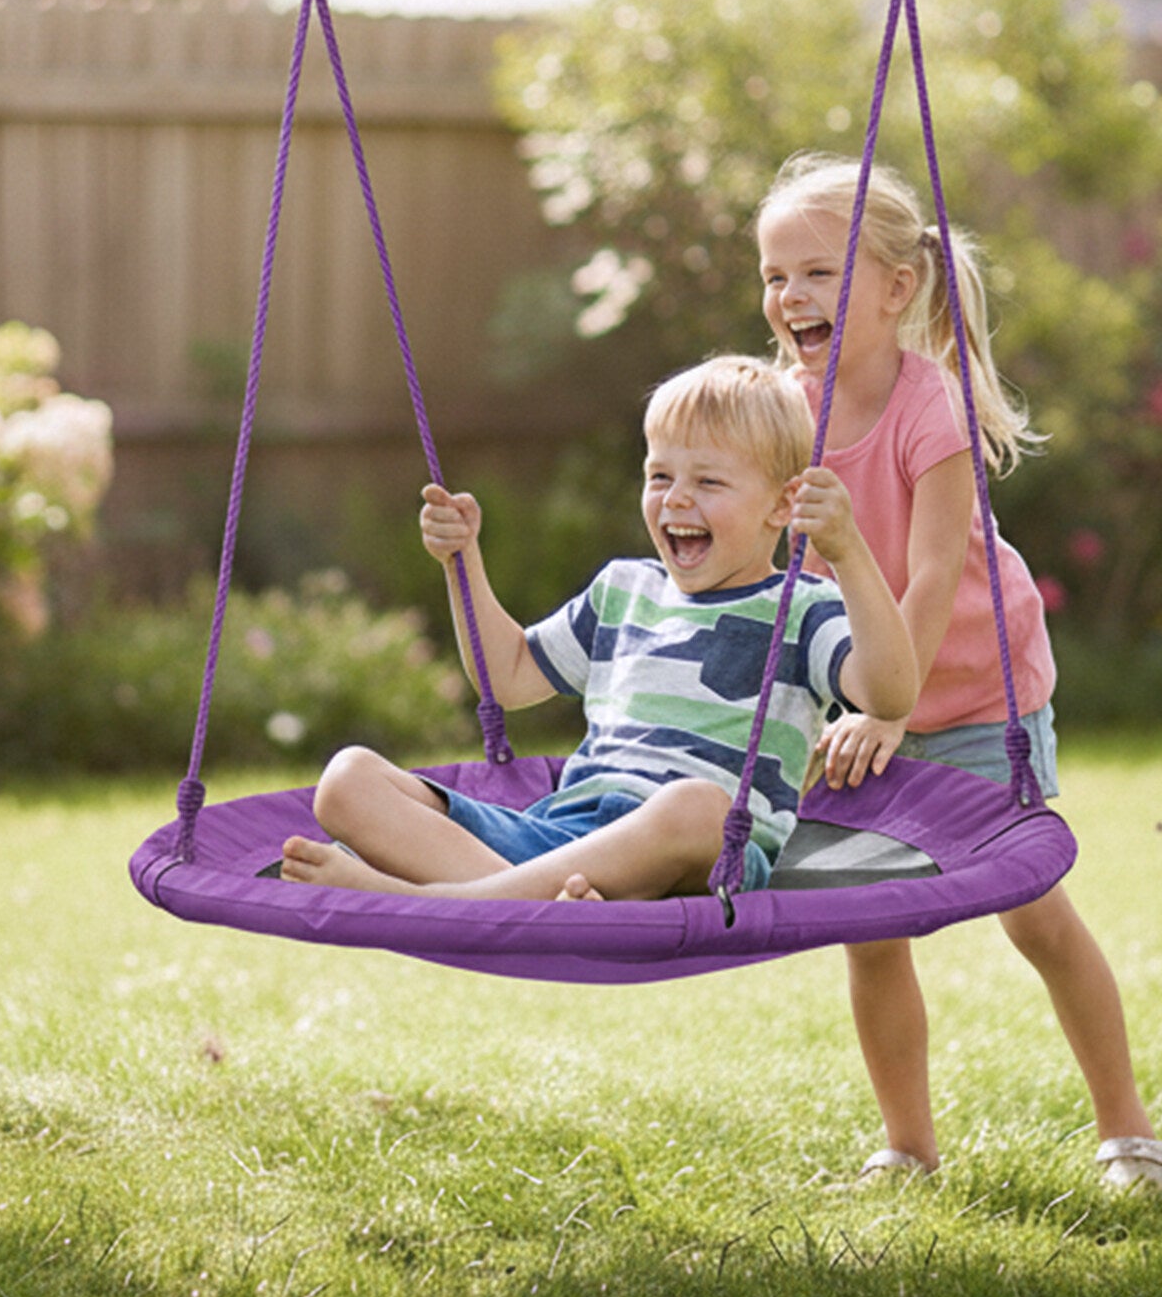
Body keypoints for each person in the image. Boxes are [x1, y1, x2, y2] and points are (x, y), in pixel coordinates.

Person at [756, 153, 1162, 1194]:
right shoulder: (780, 410)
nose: (790, 295)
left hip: (978, 690)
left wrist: (886, 710)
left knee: (1033, 913)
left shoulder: (925, 402)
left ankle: (1127, 1131)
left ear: (896, 287)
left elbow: (937, 569)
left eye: (819, 272)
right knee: (870, 928)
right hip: (865, 703)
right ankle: (909, 1147)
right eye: (774, 275)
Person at [279, 355, 917, 903]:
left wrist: (847, 551)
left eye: (708, 481)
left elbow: (890, 693)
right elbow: (508, 677)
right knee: (347, 780)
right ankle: (537, 903)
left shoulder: (802, 608)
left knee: (697, 806)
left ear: (783, 504)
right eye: (660, 476)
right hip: (562, 838)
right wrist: (461, 562)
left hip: (701, 846)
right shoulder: (622, 590)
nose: (675, 498)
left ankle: (444, 901)